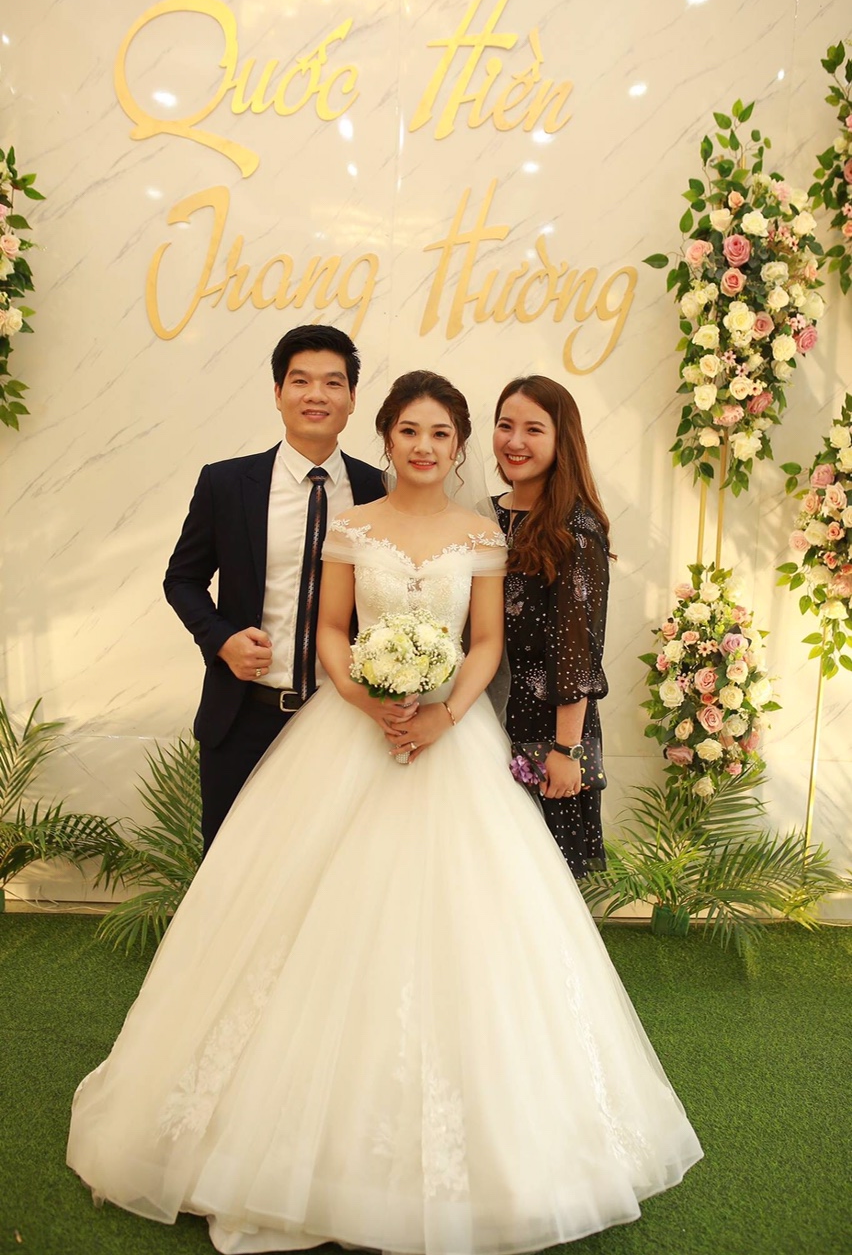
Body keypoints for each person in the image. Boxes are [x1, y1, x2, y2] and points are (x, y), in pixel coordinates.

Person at [68, 371, 701, 1254]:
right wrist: (369, 700)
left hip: (452, 742)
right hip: (350, 732)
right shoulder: (353, 525)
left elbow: (486, 643)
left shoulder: (483, 533)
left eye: (441, 434)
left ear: (458, 444)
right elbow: (331, 630)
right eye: (409, 431)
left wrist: (443, 715)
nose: (423, 447)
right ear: (388, 436)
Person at [163, 324, 389, 854]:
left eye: (333, 383)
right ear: (277, 392)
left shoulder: (380, 490)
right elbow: (183, 579)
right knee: (233, 868)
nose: (316, 395)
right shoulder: (226, 483)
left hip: (344, 719)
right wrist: (221, 639)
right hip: (244, 716)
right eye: (300, 381)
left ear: (353, 398)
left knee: (332, 870)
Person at [492, 375, 612, 878]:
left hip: (544, 732)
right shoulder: (485, 517)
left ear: (562, 440)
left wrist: (566, 750)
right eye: (505, 426)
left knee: (537, 880)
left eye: (533, 429)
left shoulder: (574, 530)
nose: (515, 441)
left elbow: (577, 650)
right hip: (481, 720)